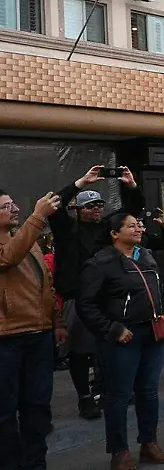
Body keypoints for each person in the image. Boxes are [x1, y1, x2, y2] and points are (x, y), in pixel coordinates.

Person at [77, 213, 164, 470]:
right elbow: (86, 305)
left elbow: (158, 286)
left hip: (152, 333)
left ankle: (149, 443)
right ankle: (119, 451)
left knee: (149, 391)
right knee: (118, 395)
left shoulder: (145, 256)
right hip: (122, 337)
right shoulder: (100, 263)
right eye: (131, 226)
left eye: (138, 225)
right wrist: (112, 329)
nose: (138, 229)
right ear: (114, 233)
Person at [49, 165, 144, 420]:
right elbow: (53, 206)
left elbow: (133, 213)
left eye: (100, 205)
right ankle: (84, 397)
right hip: (77, 296)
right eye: (90, 206)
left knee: (110, 345)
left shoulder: (106, 230)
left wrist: (130, 185)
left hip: (107, 296)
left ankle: (108, 388)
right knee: (80, 352)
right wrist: (81, 182)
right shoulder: (67, 230)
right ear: (77, 211)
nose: (97, 209)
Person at [0, 191, 64, 470]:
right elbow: (7, 259)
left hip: (39, 334)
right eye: (5, 206)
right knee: (4, 411)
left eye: (14, 203)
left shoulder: (27, 237)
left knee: (37, 408)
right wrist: (37, 216)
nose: (14, 208)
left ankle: (36, 463)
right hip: (6, 338)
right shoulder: (26, 234)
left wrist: (57, 322)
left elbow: (46, 285)